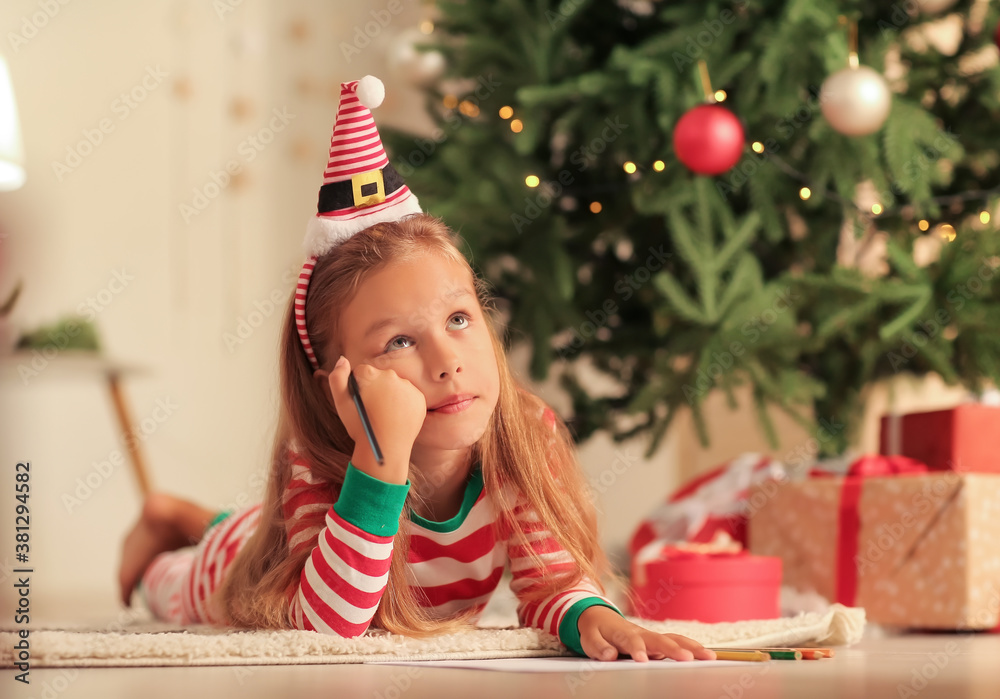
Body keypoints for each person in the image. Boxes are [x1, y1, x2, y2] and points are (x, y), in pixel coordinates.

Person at [117, 76, 715, 664]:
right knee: (191, 581)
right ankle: (170, 532)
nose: (447, 361)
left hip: (275, 524)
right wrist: (380, 456)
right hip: (248, 559)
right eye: (400, 340)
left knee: (248, 523)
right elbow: (329, 628)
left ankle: (184, 512)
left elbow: (551, 582)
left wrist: (599, 618)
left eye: (458, 319)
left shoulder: (523, 433)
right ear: (337, 381)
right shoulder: (316, 455)